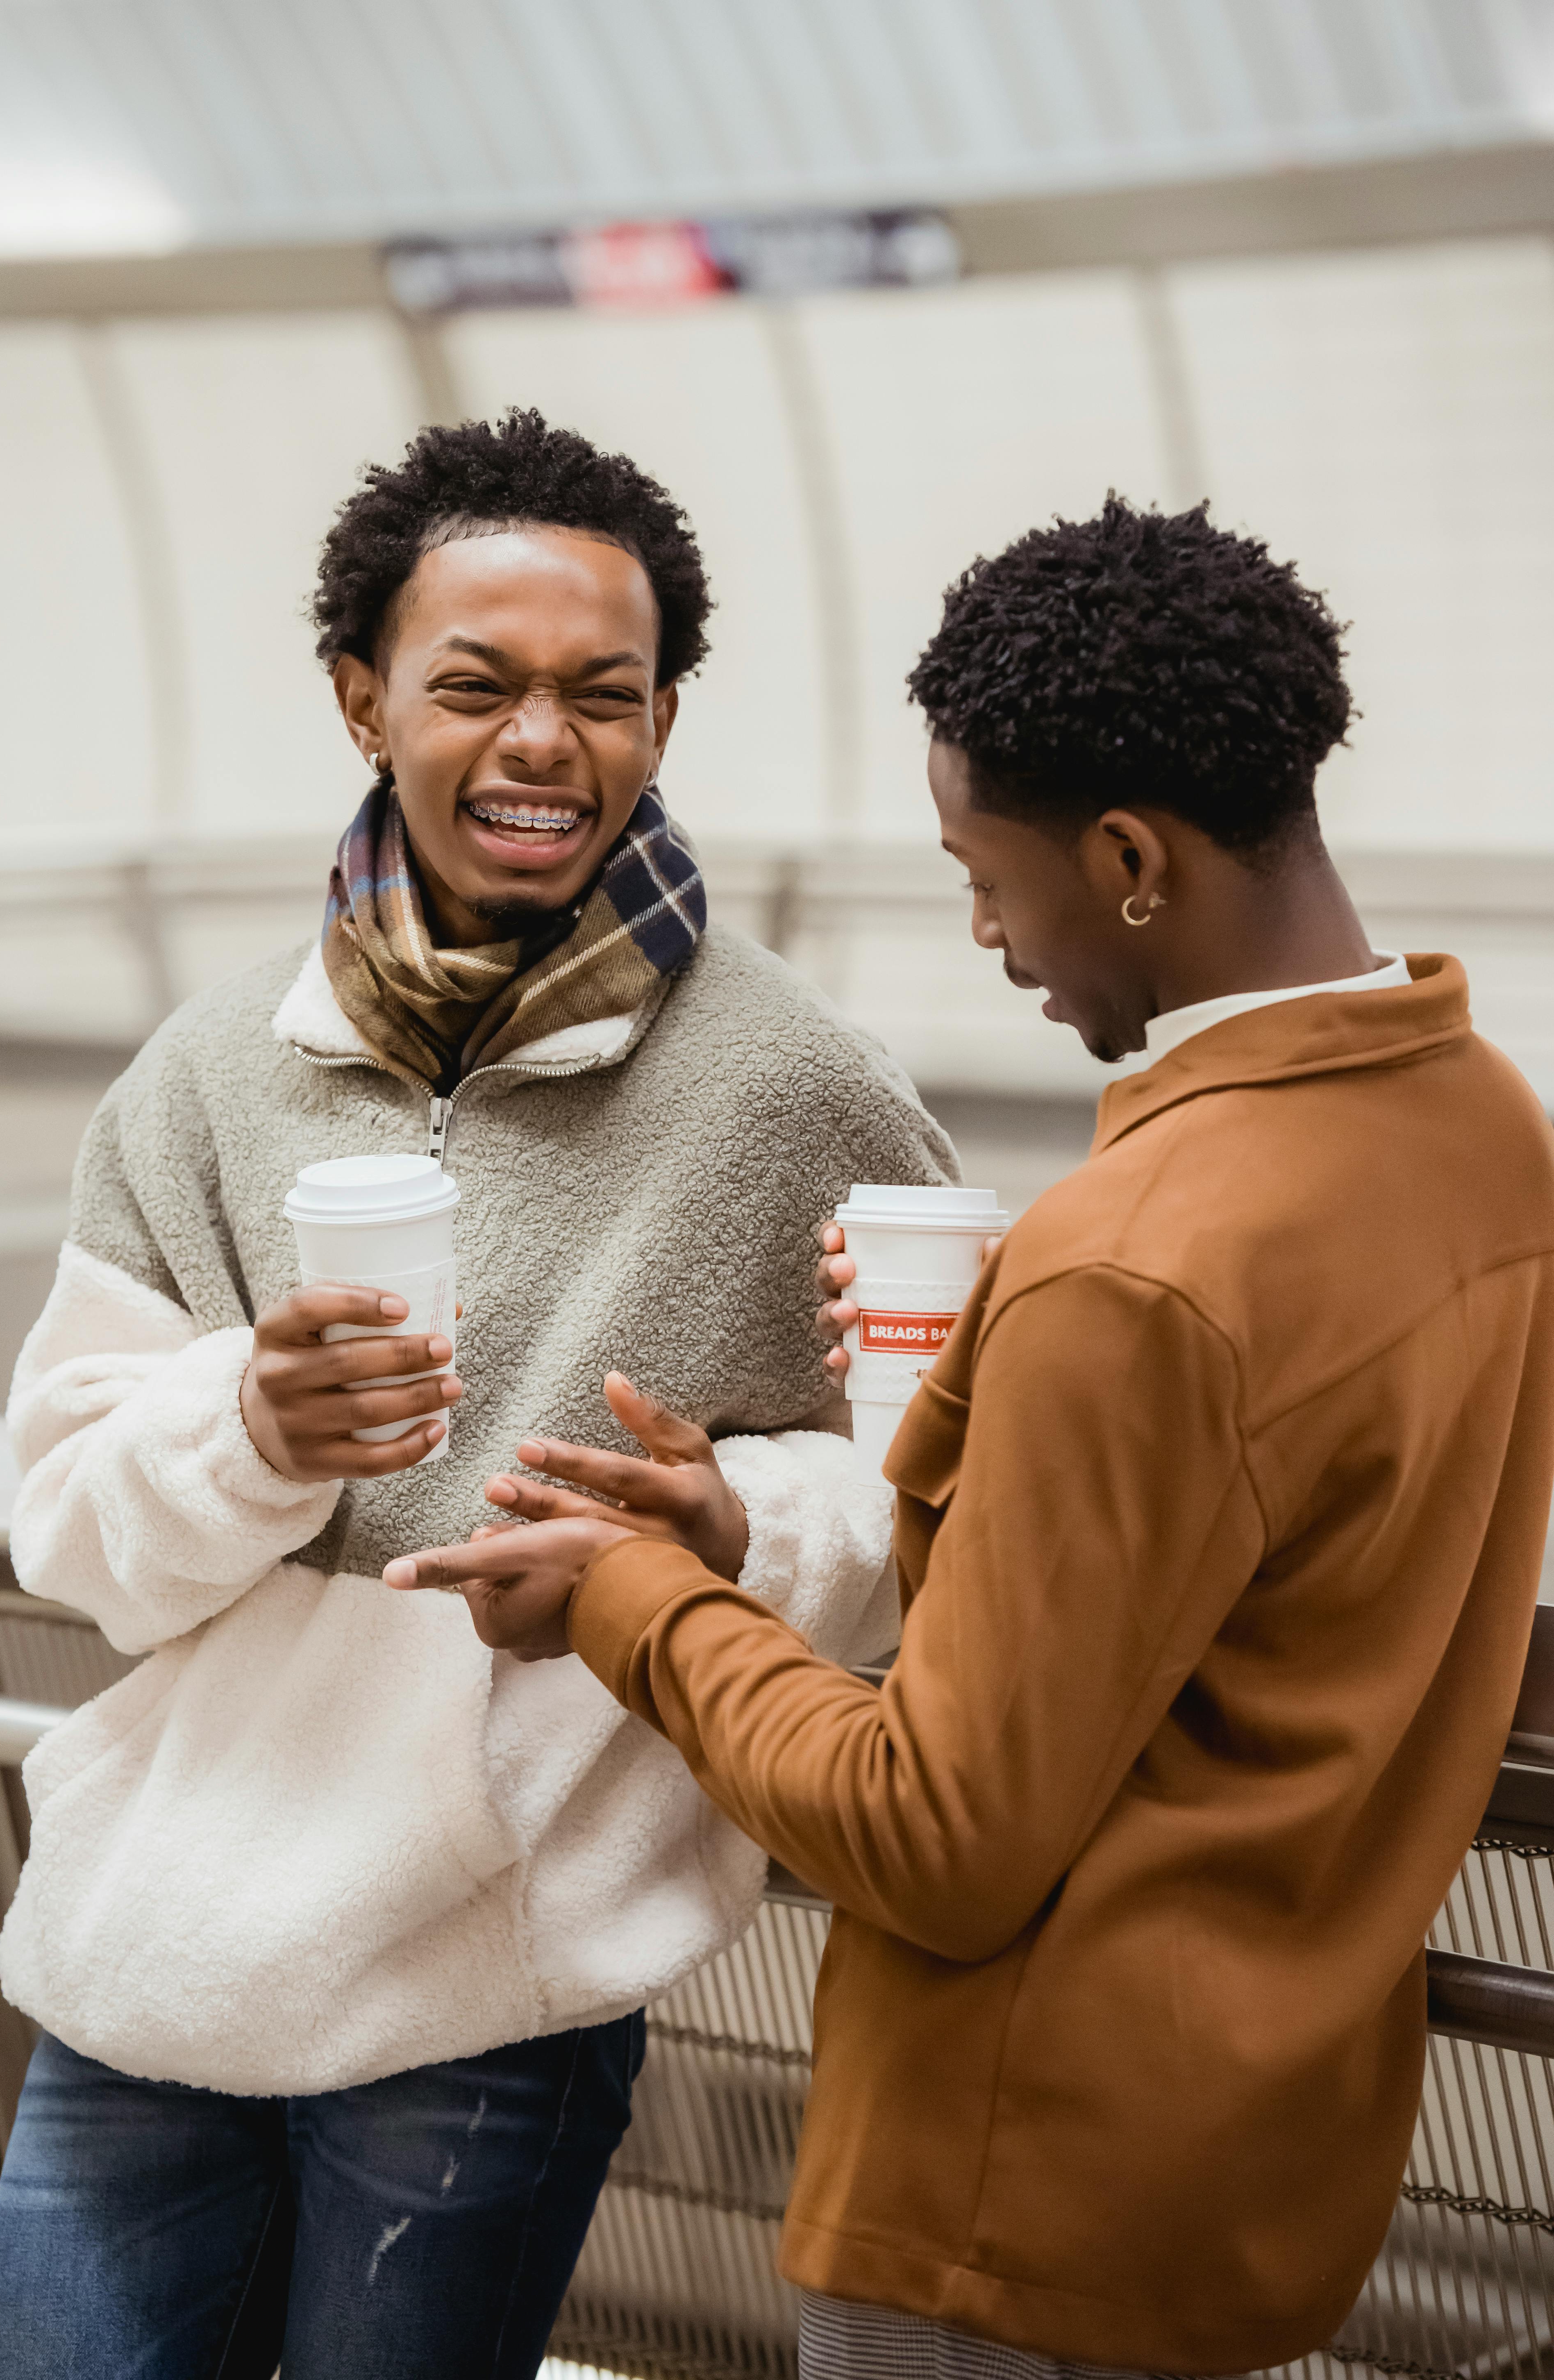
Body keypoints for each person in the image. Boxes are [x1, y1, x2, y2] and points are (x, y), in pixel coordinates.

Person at [387, 497, 1554, 2378]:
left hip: (1006, 2215)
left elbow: (936, 1838)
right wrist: (820, 1483)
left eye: (983, 873)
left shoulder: (1136, 1266)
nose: (991, 933)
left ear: (1124, 857)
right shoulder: (1476, 1123)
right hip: (1267, 2168)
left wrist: (629, 1601)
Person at [0, 410, 954, 2380]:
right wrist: (246, 1433)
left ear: (662, 722)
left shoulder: (798, 1091)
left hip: (484, 2000)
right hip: (136, 1980)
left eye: (604, 693)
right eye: (476, 686)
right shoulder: (200, 1076)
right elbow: (78, 1527)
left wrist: (734, 1529)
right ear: (362, 701)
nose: (542, 742)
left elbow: (939, 1494)